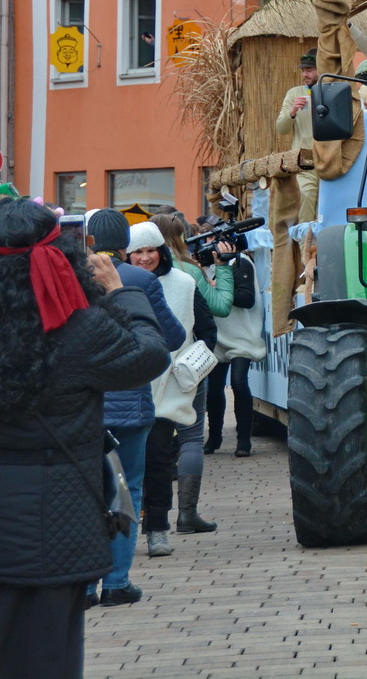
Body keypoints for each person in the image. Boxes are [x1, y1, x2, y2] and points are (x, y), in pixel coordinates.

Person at [0, 200, 172, 678]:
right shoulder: (78, 329)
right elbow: (149, 355)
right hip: (58, 519)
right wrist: (120, 293)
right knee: (49, 654)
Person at [82, 208, 184, 606]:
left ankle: (87, 585)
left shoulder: (71, 275)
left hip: (85, 403)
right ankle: (119, 582)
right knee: (127, 489)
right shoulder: (140, 279)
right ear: (126, 243)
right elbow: (171, 337)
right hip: (130, 403)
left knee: (87, 491)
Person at [130, 220, 216, 553]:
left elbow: (208, 330)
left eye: (151, 249)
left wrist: (192, 362)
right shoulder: (117, 282)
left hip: (169, 386)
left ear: (161, 250)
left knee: (158, 460)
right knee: (126, 463)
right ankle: (129, 520)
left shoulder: (183, 283)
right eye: (138, 251)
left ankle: (157, 527)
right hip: (128, 385)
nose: (145, 257)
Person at [205, 234, 263, 457]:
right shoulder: (206, 266)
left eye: (213, 239)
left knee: (239, 384)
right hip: (218, 336)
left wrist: (218, 288)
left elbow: (247, 299)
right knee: (214, 390)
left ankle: (243, 440)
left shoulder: (240, 262)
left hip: (241, 336)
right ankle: (214, 437)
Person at [276, 50, 321, 221]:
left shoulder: (333, 91)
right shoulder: (294, 94)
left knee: (328, 207)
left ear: (320, 68)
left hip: (330, 160)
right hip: (305, 161)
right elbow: (281, 128)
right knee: (306, 196)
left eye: (309, 70)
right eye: (303, 70)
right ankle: (305, 246)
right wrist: (292, 111)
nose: (305, 74)